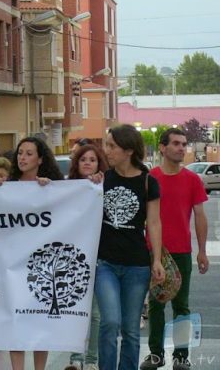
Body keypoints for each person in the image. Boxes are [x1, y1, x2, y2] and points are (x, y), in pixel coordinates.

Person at [140, 128, 209, 370]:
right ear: (162, 147)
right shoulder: (150, 178)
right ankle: (156, 354)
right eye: (176, 144)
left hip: (181, 251)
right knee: (156, 303)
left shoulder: (192, 180)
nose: (182, 148)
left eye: (184, 144)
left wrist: (201, 250)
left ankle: (181, 356)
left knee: (181, 305)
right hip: (153, 251)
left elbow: (200, 216)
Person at [97, 125, 165, 370]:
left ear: (127, 150)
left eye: (111, 146)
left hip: (137, 265)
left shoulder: (148, 182)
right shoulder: (102, 179)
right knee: (109, 322)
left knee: (130, 329)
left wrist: (156, 259)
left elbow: (154, 223)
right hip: (105, 263)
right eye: (107, 145)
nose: (107, 151)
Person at [8, 137, 63, 370]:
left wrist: (49, 191)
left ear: (40, 159)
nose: (23, 158)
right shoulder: (6, 186)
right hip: (11, 265)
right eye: (20, 153)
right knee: (15, 322)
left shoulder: (52, 186)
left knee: (40, 321)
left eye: (29, 154)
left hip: (41, 266)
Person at [64, 144, 108, 370]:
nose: (88, 163)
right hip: (73, 258)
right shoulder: (65, 188)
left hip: (99, 256)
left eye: (93, 159)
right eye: (83, 159)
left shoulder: (104, 186)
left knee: (95, 314)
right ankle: (75, 359)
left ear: (99, 164)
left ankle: (91, 361)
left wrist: (100, 185)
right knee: (75, 311)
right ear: (77, 163)